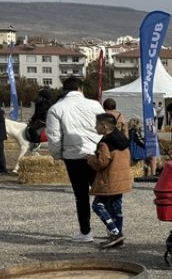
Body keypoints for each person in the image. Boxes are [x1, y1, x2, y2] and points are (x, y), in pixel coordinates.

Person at [46, 77, 104, 243]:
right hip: (95, 154)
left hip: (73, 157)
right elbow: (104, 128)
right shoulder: (95, 105)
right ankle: (112, 226)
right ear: (81, 89)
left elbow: (54, 137)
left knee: (81, 195)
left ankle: (85, 232)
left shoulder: (56, 109)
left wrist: (58, 155)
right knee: (102, 192)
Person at [86, 113, 132, 250]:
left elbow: (102, 163)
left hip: (109, 181)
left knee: (97, 205)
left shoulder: (105, 143)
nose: (95, 127)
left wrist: (90, 159)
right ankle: (118, 239)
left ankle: (115, 233)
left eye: (97, 125)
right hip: (122, 180)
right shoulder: (122, 139)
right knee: (116, 209)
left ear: (104, 126)